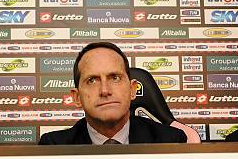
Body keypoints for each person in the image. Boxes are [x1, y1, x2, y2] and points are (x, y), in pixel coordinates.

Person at [39, 42, 187, 145]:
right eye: (92, 80)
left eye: (115, 78)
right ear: (77, 97)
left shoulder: (171, 141)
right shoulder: (53, 147)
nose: (105, 91)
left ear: (132, 90)